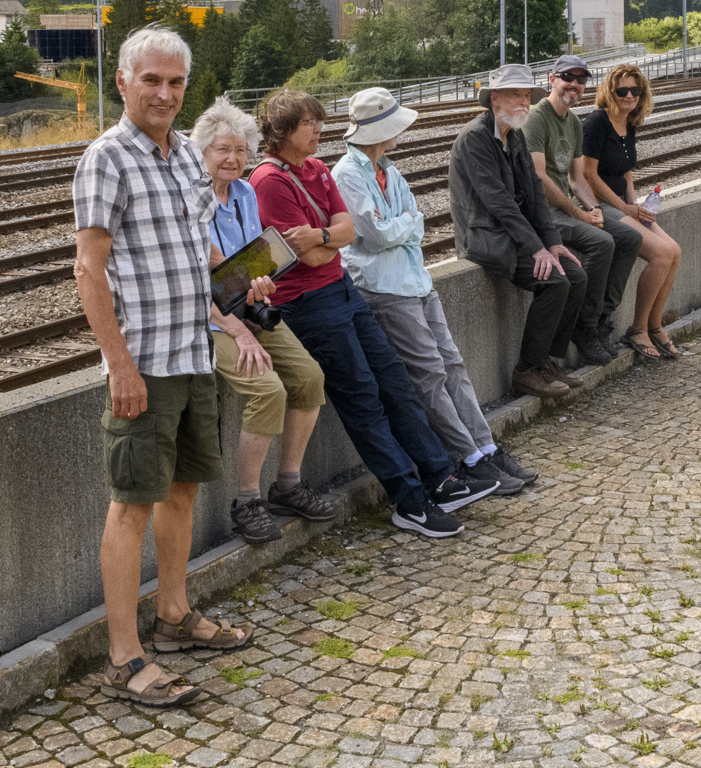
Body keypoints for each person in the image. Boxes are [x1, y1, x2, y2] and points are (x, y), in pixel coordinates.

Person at [73, 26, 247, 710]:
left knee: (181, 490)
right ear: (123, 80)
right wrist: (119, 365)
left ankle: (173, 615)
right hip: (144, 361)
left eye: (176, 82)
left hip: (193, 352)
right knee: (132, 504)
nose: (165, 93)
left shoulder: (182, 159)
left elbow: (194, 248)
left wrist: (238, 292)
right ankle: (125, 655)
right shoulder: (106, 158)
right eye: (152, 79)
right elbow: (88, 269)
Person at [248, 89, 499, 540]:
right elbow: (304, 258)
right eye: (309, 124)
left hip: (342, 290)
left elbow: (344, 234)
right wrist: (330, 241)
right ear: (282, 130)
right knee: (362, 397)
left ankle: (440, 477)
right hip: (308, 304)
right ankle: (409, 500)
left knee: (396, 383)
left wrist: (323, 236)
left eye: (319, 121)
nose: (320, 130)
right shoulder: (269, 180)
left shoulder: (319, 169)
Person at [331, 86, 539, 495]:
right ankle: (470, 458)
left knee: (453, 365)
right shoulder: (347, 174)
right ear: (379, 130)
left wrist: (402, 225)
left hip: (415, 279)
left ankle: (486, 446)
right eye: (395, 126)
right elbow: (373, 236)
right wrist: (403, 224)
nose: (400, 133)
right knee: (429, 374)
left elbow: (416, 219)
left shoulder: (387, 169)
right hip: (384, 288)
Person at [190, 97, 337, 544]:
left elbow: (255, 262)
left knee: (310, 377)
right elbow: (201, 280)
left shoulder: (245, 193)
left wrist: (262, 283)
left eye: (239, 150)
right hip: (205, 316)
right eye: (221, 150)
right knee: (267, 389)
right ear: (202, 154)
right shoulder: (189, 200)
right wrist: (238, 328)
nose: (232, 159)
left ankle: (287, 484)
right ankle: (247, 500)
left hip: (243, 304)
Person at [447, 64, 588, 399]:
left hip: (514, 237)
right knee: (555, 281)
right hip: (486, 239)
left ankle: (545, 363)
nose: (524, 102)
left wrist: (552, 243)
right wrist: (535, 248)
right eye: (516, 95)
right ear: (495, 98)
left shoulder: (515, 134)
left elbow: (536, 194)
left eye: (527, 95)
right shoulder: (475, 139)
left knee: (576, 277)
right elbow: (499, 203)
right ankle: (526, 370)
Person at [522, 56, 641, 367]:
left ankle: (601, 318)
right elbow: (539, 176)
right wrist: (579, 215)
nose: (574, 84)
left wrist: (594, 208)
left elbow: (577, 179)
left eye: (581, 79)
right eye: (567, 77)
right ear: (552, 79)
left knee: (628, 238)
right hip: (542, 212)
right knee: (602, 242)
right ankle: (584, 329)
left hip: (566, 208)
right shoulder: (538, 117)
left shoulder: (574, 122)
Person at [582, 63, 683, 360]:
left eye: (634, 91)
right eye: (622, 90)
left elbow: (626, 172)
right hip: (600, 206)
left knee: (674, 251)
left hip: (624, 205)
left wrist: (637, 204)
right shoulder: (597, 123)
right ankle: (637, 329)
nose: (628, 96)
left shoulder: (629, 124)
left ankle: (654, 325)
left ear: (641, 94)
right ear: (610, 92)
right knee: (660, 255)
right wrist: (625, 207)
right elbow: (588, 175)